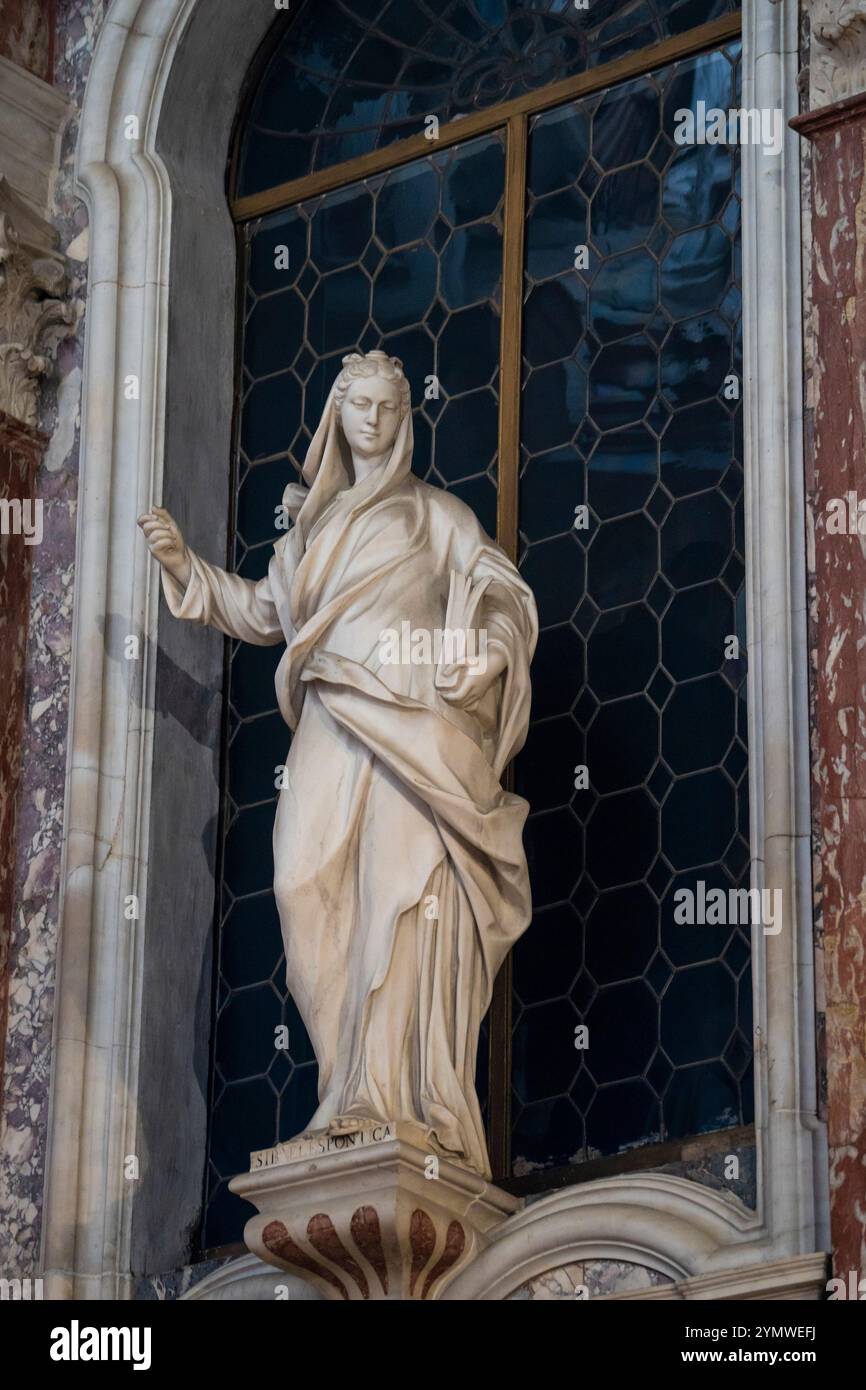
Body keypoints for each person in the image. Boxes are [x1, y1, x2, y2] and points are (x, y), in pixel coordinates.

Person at [139, 349, 537, 1177]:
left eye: (389, 407)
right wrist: (183, 566)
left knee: (398, 894)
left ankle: (382, 1101)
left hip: (416, 721)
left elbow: (501, 597)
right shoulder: (310, 535)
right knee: (302, 879)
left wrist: (491, 659)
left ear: (404, 420)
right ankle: (341, 1079)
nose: (374, 420)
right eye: (359, 405)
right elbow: (257, 609)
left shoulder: (437, 517)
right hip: (330, 709)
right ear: (336, 418)